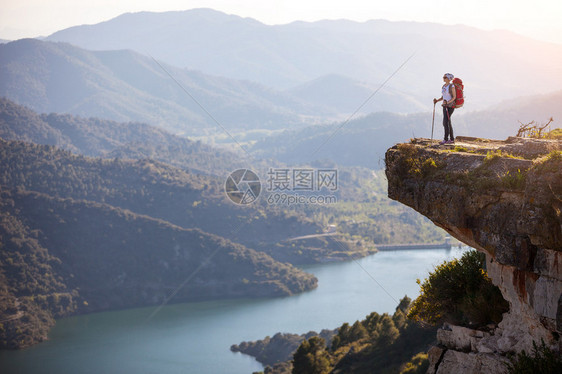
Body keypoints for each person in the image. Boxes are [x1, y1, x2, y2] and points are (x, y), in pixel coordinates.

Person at [433, 73, 456, 144]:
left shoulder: (451, 86)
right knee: (448, 122)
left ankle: (446, 139)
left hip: (450, 106)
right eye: (443, 77)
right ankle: (451, 139)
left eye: (445, 77)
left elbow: (454, 97)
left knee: (445, 122)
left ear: (449, 79)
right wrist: (437, 100)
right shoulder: (444, 86)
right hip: (445, 106)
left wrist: (447, 102)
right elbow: (443, 97)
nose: (443, 78)